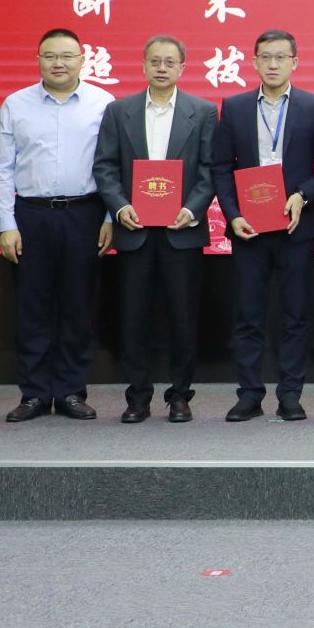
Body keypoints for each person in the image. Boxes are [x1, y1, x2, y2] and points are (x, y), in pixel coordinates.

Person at [0, 27, 115, 422]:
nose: (58, 63)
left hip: (85, 213)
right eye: (49, 56)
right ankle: (34, 394)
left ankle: (72, 391)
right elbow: (1, 167)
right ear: (38, 60)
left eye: (66, 55)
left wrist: (110, 216)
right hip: (31, 215)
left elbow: (114, 165)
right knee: (32, 307)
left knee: (78, 306)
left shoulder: (103, 103)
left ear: (82, 59)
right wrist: (6, 223)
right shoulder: (16, 104)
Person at [212, 27, 314, 422]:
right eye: (266, 57)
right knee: (248, 315)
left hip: (296, 226)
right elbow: (220, 167)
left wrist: (304, 193)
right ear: (254, 62)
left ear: (294, 62)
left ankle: (290, 395)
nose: (273, 64)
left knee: (295, 314)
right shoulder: (234, 107)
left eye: (281, 57)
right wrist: (233, 214)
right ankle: (249, 394)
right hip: (249, 228)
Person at [94, 35, 218, 423]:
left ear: (182, 67)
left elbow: (210, 170)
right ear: (144, 65)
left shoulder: (203, 111)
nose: (161, 68)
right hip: (135, 231)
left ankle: (180, 396)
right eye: (155, 61)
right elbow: (105, 166)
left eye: (169, 62)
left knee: (183, 317)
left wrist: (192, 209)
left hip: (182, 231)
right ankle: (137, 397)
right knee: (134, 317)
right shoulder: (119, 111)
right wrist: (120, 207)